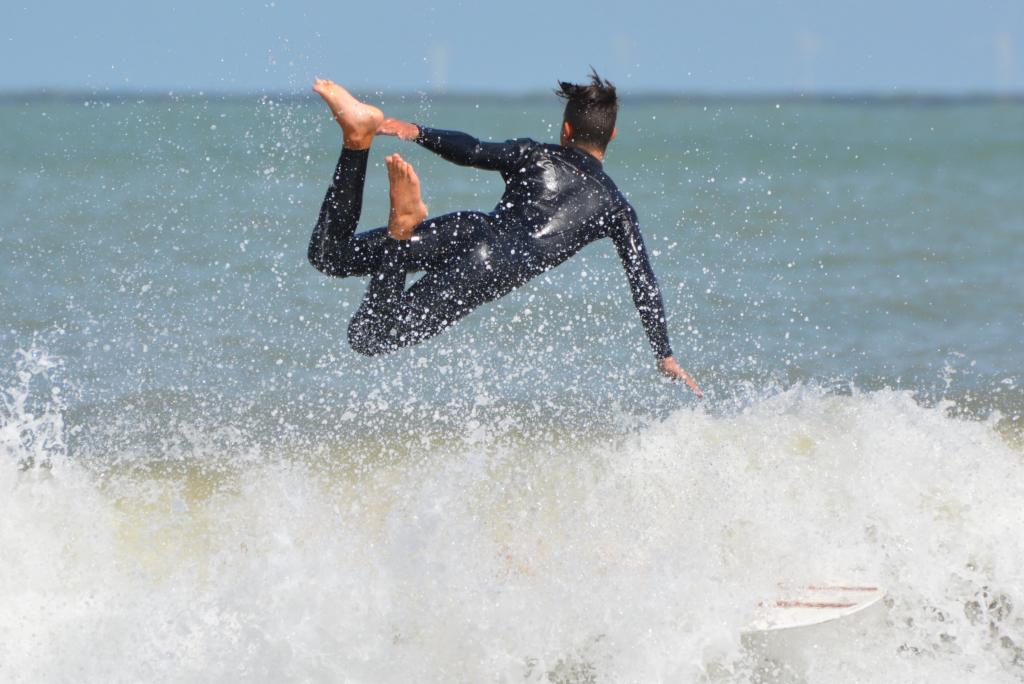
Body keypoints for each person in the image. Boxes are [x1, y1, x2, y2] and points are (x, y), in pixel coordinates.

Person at [307, 71, 702, 397]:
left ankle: (357, 138)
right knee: (370, 339)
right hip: (485, 271)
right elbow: (643, 279)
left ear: (566, 130)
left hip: (469, 228)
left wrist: (416, 131)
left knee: (330, 256)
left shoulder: (536, 154)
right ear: (610, 137)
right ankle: (399, 229)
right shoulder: (616, 208)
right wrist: (663, 352)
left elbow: (473, 150)